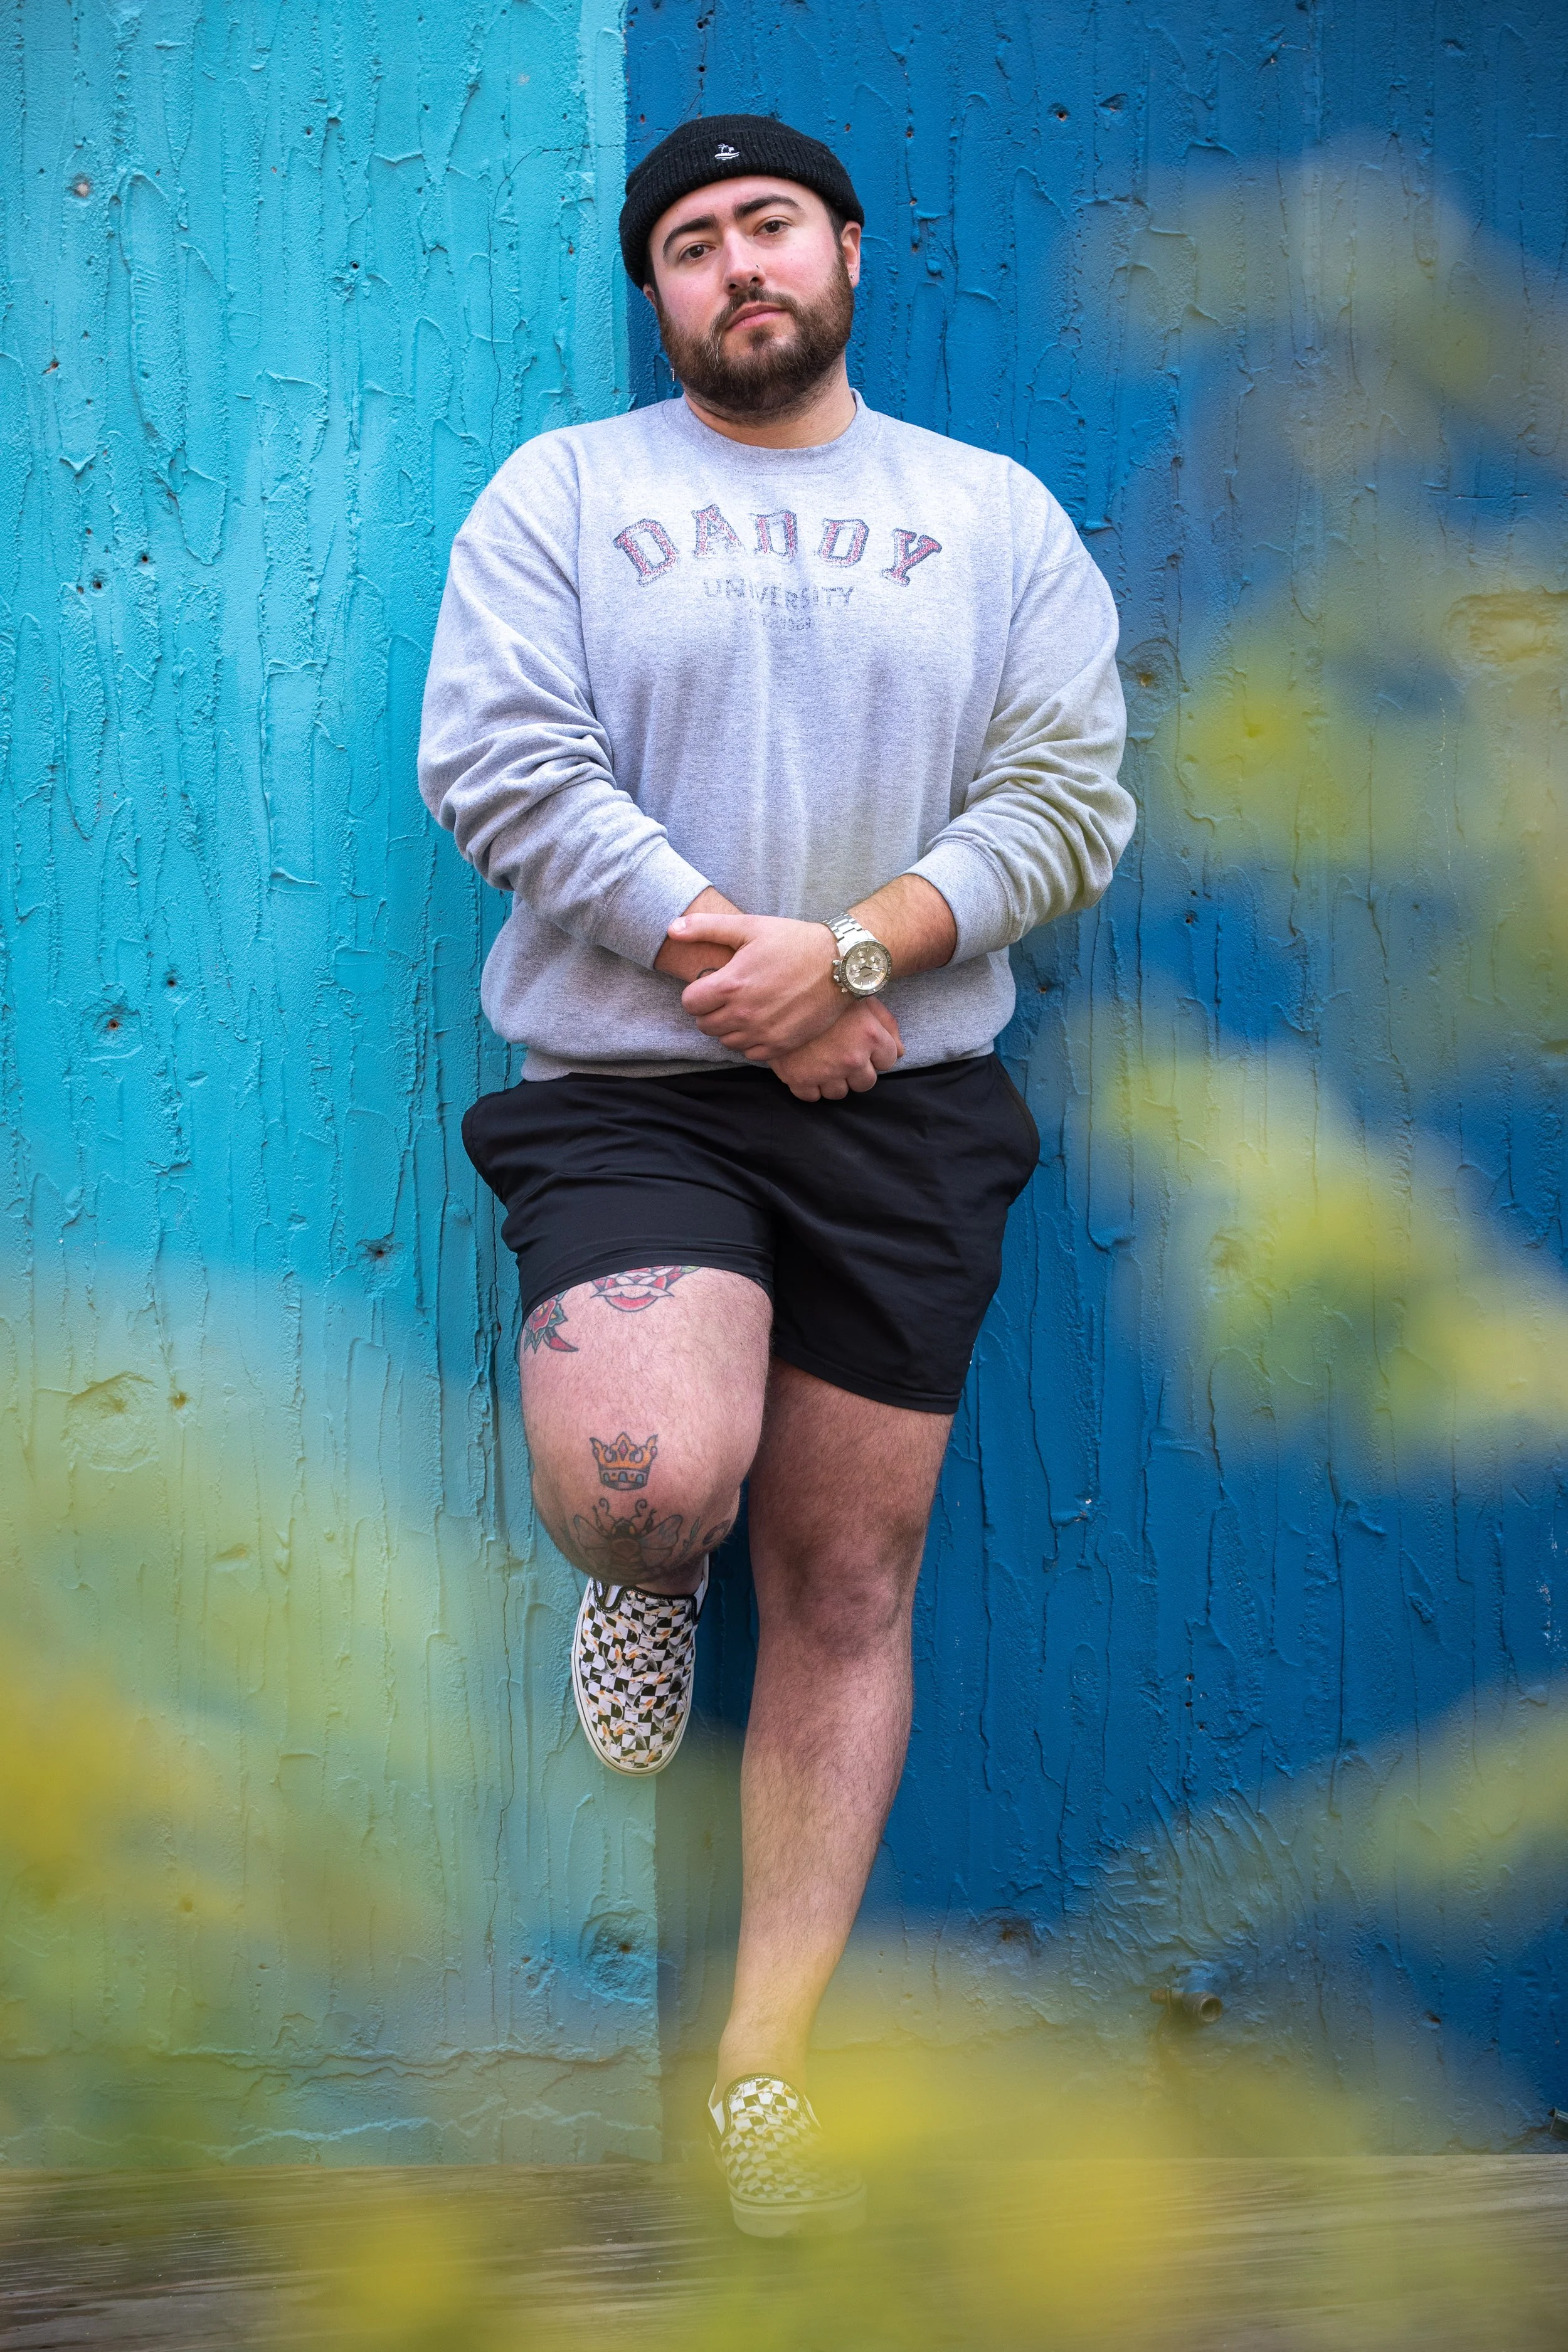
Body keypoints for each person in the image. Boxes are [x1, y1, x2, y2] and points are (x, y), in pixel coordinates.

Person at [418, 112, 1133, 2237]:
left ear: (843, 255)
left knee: (850, 1584)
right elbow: (498, 757)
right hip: (634, 1082)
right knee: (644, 1474)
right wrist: (754, 975)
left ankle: (761, 2068)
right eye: (692, 242)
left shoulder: (989, 515)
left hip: (906, 1091)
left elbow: (1065, 797)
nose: (736, 265)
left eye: (769, 229)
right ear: (657, 289)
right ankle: (655, 1558)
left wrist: (855, 960)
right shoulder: (566, 491)